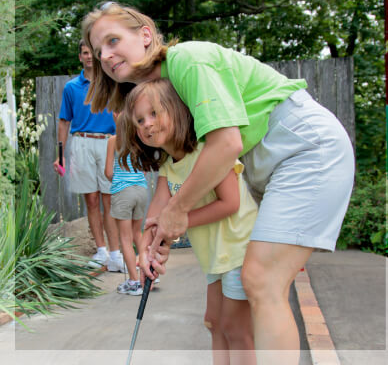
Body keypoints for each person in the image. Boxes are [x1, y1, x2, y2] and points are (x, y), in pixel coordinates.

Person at [81, 2, 355, 363]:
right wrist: (157, 231)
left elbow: (227, 144)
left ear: (145, 35)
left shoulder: (186, 61)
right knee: (261, 285)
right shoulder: (168, 91)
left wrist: (177, 214)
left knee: (261, 280)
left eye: (113, 40)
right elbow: (181, 172)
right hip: (273, 164)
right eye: (99, 53)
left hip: (304, 149)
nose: (106, 55)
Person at [120, 78, 258, 363]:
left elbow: (230, 203)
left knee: (236, 328)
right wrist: (146, 250)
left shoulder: (209, 153)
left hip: (238, 250)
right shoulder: (169, 167)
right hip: (215, 256)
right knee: (214, 323)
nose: (147, 124)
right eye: (140, 120)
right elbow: (158, 214)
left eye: (154, 113)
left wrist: (182, 221)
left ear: (175, 111)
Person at [53, 39, 123, 272]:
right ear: (80, 56)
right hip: (81, 143)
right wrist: (60, 155)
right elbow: (64, 121)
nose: (89, 56)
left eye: (93, 52)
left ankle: (115, 255)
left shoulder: (111, 83)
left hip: (107, 144)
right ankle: (101, 251)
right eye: (85, 53)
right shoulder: (72, 87)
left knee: (108, 200)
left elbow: (121, 116)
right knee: (91, 201)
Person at [104, 114, 150, 295]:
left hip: (123, 191)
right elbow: (145, 168)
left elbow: (108, 171)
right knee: (137, 234)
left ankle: (134, 281)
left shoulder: (114, 141)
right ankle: (149, 273)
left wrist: (116, 181)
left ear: (116, 119)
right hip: (141, 189)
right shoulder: (140, 140)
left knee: (125, 238)